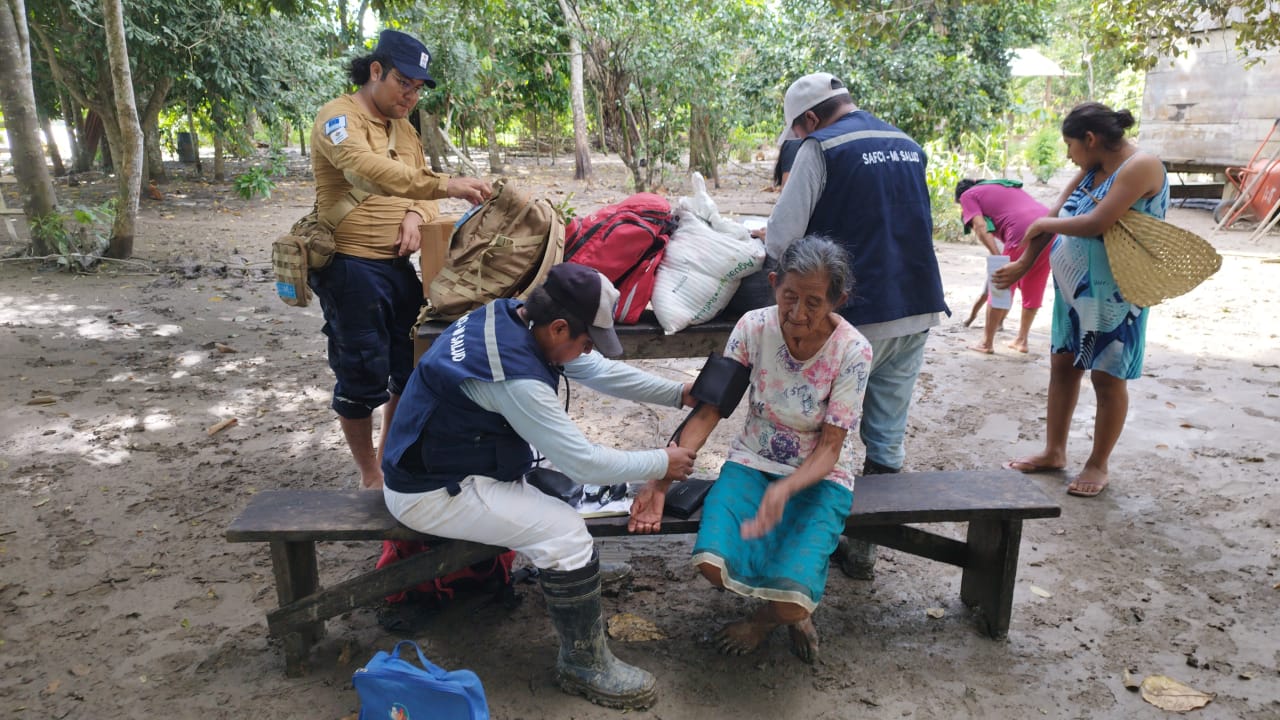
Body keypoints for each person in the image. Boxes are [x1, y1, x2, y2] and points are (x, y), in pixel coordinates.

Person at [379, 262, 698, 710]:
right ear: (560, 327)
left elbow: (595, 370)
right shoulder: (516, 377)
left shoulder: (511, 313)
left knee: (555, 488)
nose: (588, 351)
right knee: (565, 530)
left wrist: (677, 392)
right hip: (430, 492)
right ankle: (583, 664)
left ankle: (575, 577)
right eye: (585, 341)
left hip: (446, 460)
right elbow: (584, 462)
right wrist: (663, 460)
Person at [729, 72, 948, 578]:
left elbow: (783, 239)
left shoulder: (822, 148)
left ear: (809, 119)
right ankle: (866, 550)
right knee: (886, 434)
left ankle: (807, 537)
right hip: (915, 305)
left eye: (798, 131)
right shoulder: (906, 142)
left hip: (856, 318)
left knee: (822, 431)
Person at [629, 236, 872, 664]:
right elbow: (709, 412)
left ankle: (766, 621)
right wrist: (662, 481)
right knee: (711, 563)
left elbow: (832, 447)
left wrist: (784, 491)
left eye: (814, 303)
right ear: (774, 283)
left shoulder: (853, 351)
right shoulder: (752, 327)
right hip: (752, 460)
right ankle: (782, 602)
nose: (798, 314)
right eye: (789, 297)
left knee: (795, 600)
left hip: (820, 474)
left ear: (839, 300)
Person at [309, 29, 492, 489]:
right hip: (350, 269)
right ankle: (369, 476)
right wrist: (445, 186)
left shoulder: (405, 129)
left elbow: (419, 185)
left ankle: (391, 455)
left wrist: (415, 213)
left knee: (412, 365)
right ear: (376, 71)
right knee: (360, 375)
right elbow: (364, 170)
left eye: (417, 88)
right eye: (403, 83)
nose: (410, 95)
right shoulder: (339, 118)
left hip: (396, 270)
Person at [993, 103, 1169, 498]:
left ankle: (1098, 462)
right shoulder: (1092, 168)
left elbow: (1095, 222)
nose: (1068, 154)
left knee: (1107, 376)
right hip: (1073, 290)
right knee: (1063, 366)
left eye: (1070, 144)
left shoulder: (1142, 166)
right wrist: (1023, 264)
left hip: (1118, 293)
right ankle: (1054, 451)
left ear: (1090, 139)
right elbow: (1059, 212)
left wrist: (1041, 223)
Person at [954, 179, 1054, 354]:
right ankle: (1022, 340)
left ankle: (986, 343)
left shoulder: (968, 195)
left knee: (1001, 284)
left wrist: (997, 256)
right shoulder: (1001, 185)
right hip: (1050, 224)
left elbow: (979, 225)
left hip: (1021, 229)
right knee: (1035, 283)